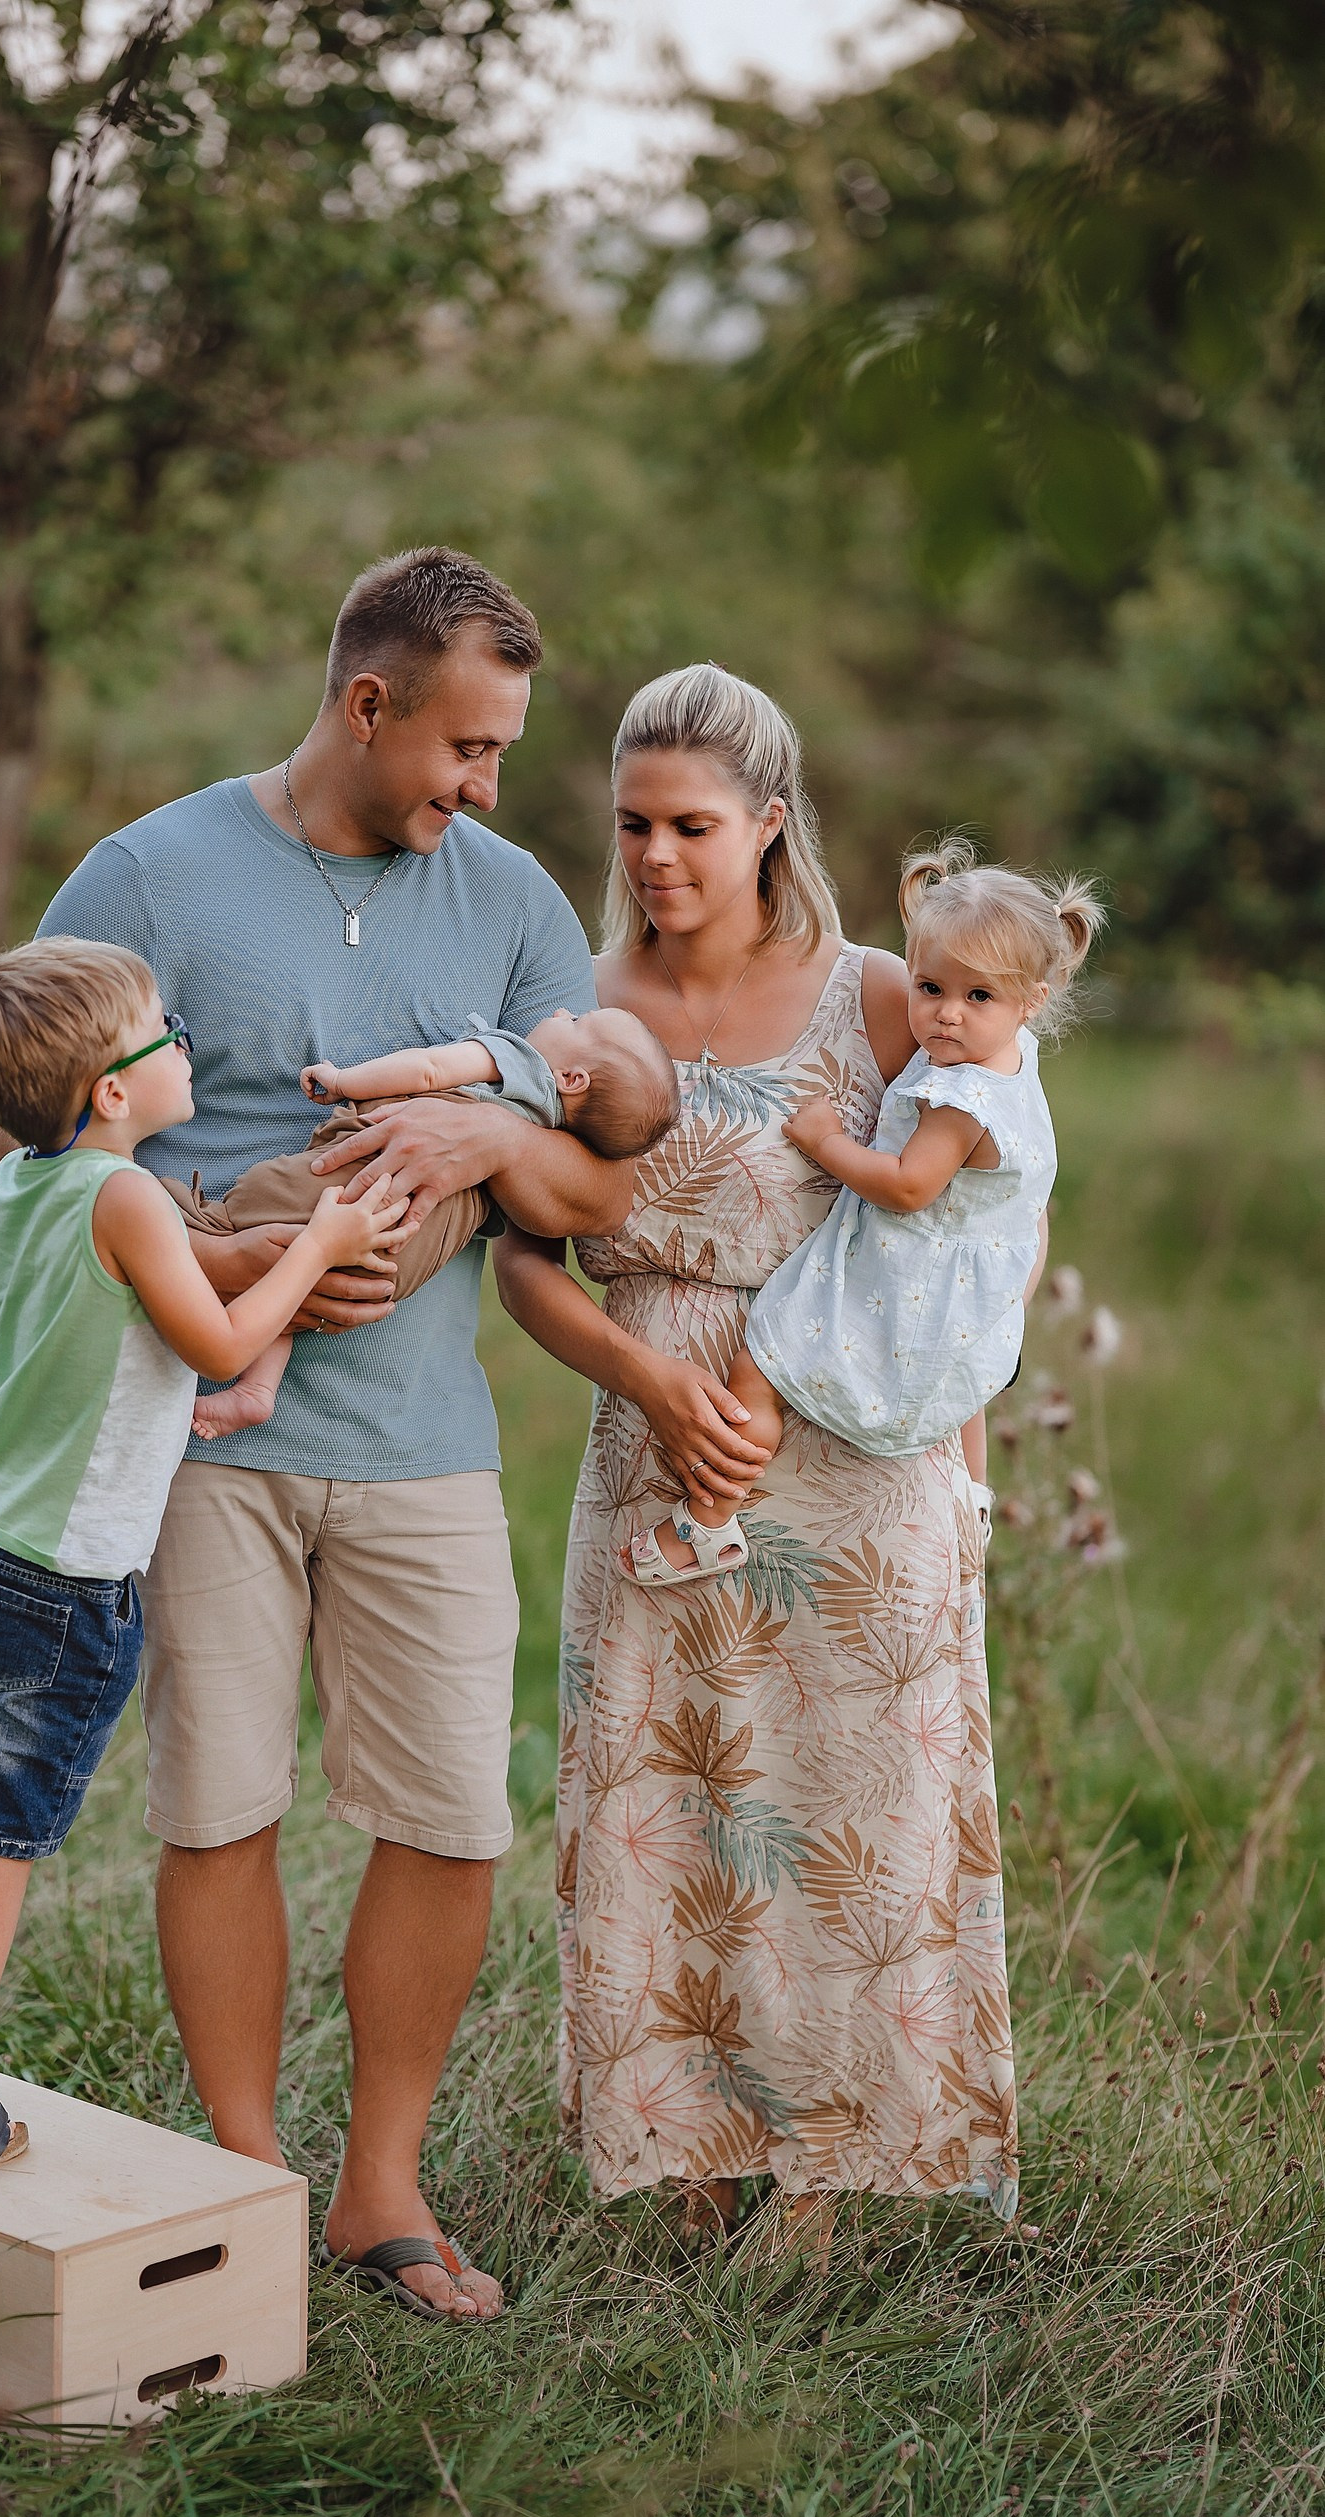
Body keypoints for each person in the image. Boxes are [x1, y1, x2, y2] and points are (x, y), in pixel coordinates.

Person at [22, 549, 631, 2318]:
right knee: (219, 1809)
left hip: (423, 1448)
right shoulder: (149, 876)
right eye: (464, 747)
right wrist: (235, 1262)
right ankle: (242, 2176)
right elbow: (31, 1159)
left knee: (449, 1819)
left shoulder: (511, 902)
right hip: (202, 1443)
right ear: (367, 704)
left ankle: (379, 2189)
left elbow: (598, 1175)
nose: (486, 787)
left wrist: (489, 1138)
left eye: (502, 751)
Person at [496, 664, 1024, 2255]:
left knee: (860, 1815)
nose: (655, 855)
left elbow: (968, 1250)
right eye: (631, 824)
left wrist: (969, 1484)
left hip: (862, 1462)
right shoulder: (571, 1002)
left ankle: (830, 2170)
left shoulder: (890, 996)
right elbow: (519, 1262)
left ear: (769, 824)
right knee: (669, 1804)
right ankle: (688, 2146)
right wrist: (648, 1380)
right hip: (660, 1456)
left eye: (691, 825)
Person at [0, 938, 404, 2163]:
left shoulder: (19, 1179)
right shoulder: (127, 1198)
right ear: (111, 1090)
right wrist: (318, 1245)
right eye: (166, 1031)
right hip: (66, 1567)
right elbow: (215, 1339)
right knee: (9, 1830)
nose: (186, 1045)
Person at [624, 841, 1101, 1582]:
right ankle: (972, 1500)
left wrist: (827, 1142)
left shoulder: (958, 1097)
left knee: (764, 1358)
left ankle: (711, 1521)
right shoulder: (1011, 1055)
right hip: (974, 1278)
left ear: (1030, 1000)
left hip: (909, 1265)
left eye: (978, 997)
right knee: (964, 1379)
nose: (946, 1015)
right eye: (930, 987)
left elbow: (908, 1186)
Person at [191, 1005, 679, 1437]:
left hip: (368, 1193)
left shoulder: (520, 1062)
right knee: (294, 1280)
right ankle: (258, 1389)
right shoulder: (547, 1132)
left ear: (571, 1079)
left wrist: (343, 1081)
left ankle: (188, 1267)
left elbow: (427, 1070)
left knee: (236, 1219)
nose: (559, 1012)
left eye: (576, 1021)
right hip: (400, 1259)